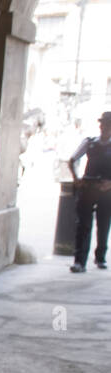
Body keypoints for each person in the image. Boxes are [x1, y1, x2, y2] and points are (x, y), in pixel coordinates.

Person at [66, 111, 111, 273]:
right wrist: (76, 178)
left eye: (108, 124)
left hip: (106, 192)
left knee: (104, 225)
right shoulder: (90, 143)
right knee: (83, 225)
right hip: (88, 187)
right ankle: (79, 261)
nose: (104, 127)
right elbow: (73, 159)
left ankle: (100, 257)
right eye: (103, 124)